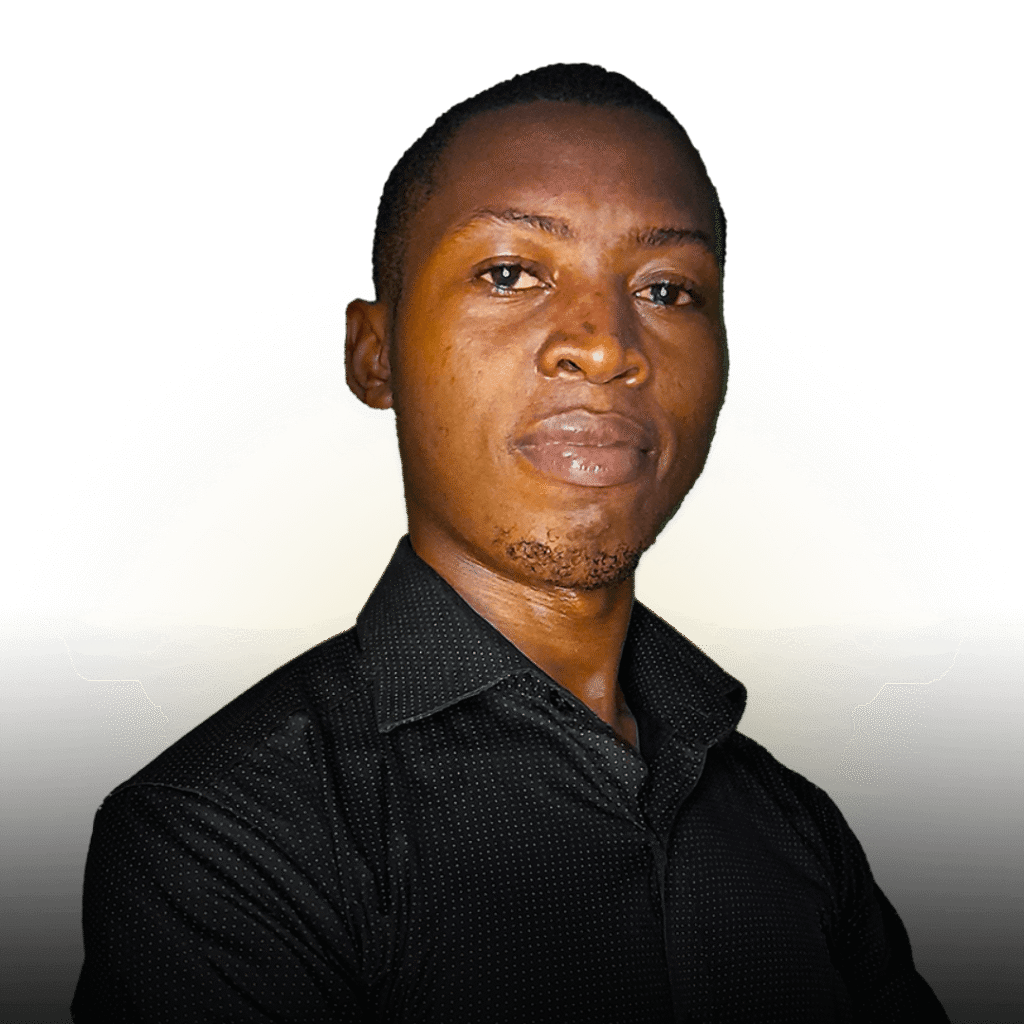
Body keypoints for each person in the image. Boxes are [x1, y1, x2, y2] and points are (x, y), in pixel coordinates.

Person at [71, 63, 950, 1022]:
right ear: (374, 355)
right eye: (508, 274)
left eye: (668, 289)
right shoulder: (221, 838)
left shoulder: (796, 826)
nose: (606, 345)